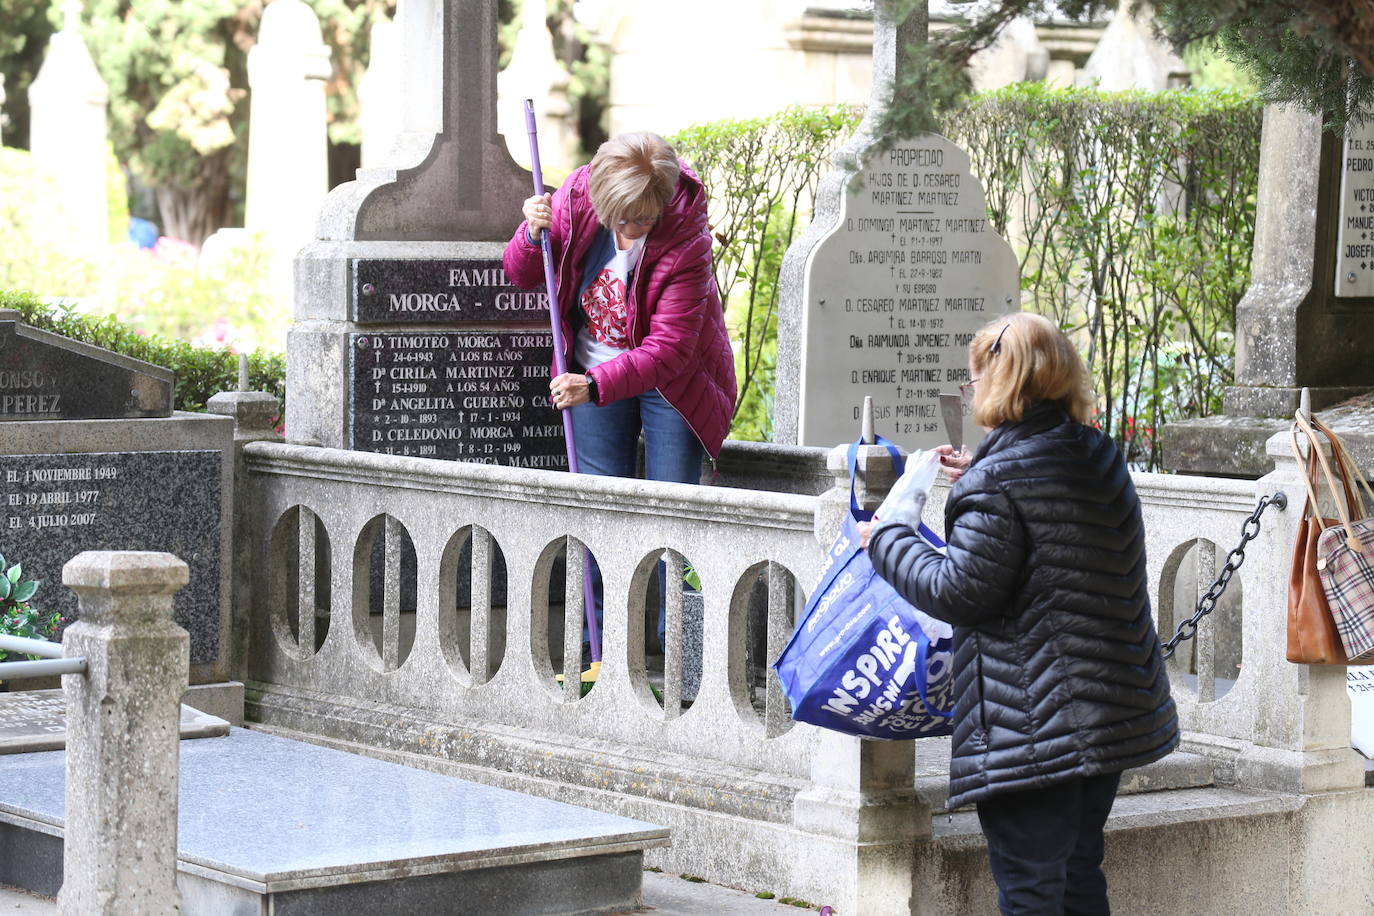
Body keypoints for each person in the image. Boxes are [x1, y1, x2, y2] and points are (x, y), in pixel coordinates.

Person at [861, 312, 1178, 915]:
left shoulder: (998, 482)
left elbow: (958, 590)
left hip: (1032, 723)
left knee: (1031, 890)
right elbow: (1046, 532)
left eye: (976, 377)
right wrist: (980, 476)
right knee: (1080, 872)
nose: (970, 389)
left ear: (1001, 382)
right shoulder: (1098, 454)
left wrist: (885, 537)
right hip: (1111, 708)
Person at [503, 131, 736, 651]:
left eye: (644, 220)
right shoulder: (574, 199)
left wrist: (595, 385)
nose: (632, 232)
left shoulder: (686, 236)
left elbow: (671, 349)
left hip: (675, 383)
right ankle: (605, 652)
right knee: (602, 513)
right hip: (590, 368)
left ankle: (674, 657)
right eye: (623, 220)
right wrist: (530, 232)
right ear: (601, 203)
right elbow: (520, 274)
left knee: (671, 514)